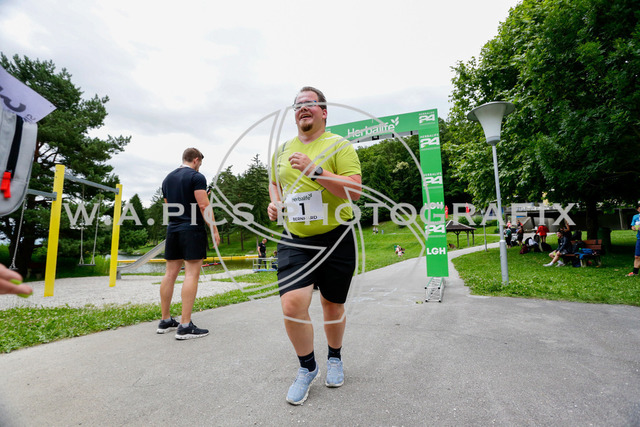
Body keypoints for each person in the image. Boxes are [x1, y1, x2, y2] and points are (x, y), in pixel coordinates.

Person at [267, 86, 362, 405]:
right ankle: (307, 368)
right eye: (297, 105)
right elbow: (274, 183)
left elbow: (354, 191)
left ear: (324, 111)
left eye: (310, 103)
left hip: (336, 236)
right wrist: (275, 203)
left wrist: (315, 171)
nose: (302, 108)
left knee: (332, 305)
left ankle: (335, 357)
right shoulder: (282, 149)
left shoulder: (339, 145)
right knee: (292, 304)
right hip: (295, 238)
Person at [157, 148, 220, 339]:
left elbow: (169, 205)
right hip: (191, 230)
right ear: (196, 159)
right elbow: (203, 205)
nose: (199, 166)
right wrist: (214, 229)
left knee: (170, 274)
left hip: (173, 229)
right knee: (191, 274)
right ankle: (185, 325)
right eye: (200, 163)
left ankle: (165, 320)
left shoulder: (167, 179)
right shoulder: (196, 177)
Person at [628, 204, 640, 276]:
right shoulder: (635, 217)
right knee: (637, 256)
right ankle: (635, 272)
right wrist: (634, 228)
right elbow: (632, 226)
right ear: (637, 209)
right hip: (639, 238)